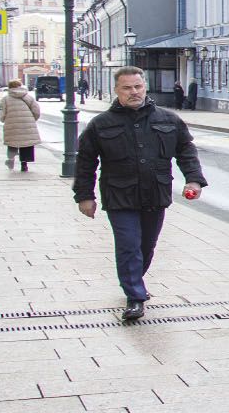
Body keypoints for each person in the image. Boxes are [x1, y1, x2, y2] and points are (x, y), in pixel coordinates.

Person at [74, 66, 206, 321]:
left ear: (144, 87)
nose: (133, 92)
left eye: (138, 87)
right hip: (119, 195)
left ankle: (135, 280)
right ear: (117, 90)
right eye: (127, 88)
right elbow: (86, 162)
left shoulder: (168, 119)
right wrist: (85, 196)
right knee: (128, 245)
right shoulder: (101, 124)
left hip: (155, 194)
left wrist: (194, 180)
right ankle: (134, 296)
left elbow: (186, 151)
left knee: (147, 246)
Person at [0, 79, 42, 173]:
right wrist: (32, 119)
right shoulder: (28, 97)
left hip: (12, 123)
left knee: (12, 143)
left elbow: (3, 114)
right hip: (27, 123)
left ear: (10, 87)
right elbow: (36, 111)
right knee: (26, 144)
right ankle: (24, 165)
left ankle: (11, 160)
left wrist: (3, 119)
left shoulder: (6, 99)